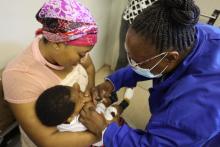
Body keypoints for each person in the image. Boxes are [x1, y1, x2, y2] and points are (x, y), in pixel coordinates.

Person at [79, 0, 220, 146]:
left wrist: (105, 129)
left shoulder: (200, 101)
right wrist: (113, 82)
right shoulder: (184, 33)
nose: (132, 65)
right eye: (130, 57)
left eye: (138, 62)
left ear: (171, 57)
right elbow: (146, 63)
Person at [2, 0, 99, 146]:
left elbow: (90, 68)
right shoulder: (19, 75)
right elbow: (49, 141)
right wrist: (101, 133)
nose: (84, 58)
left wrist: (90, 93)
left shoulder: (76, 48)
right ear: (57, 44)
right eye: (81, 54)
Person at [35, 84, 128, 146]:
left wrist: (80, 97)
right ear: (71, 117)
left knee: (104, 105)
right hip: (101, 135)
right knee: (113, 111)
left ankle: (111, 101)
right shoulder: (80, 122)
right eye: (80, 96)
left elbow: (76, 87)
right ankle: (124, 104)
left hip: (96, 120)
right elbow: (95, 113)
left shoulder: (60, 117)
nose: (79, 91)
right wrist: (90, 102)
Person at [115, 0, 158, 102]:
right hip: (129, 16)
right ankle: (114, 81)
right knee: (122, 56)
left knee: (137, 61)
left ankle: (130, 86)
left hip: (149, 27)